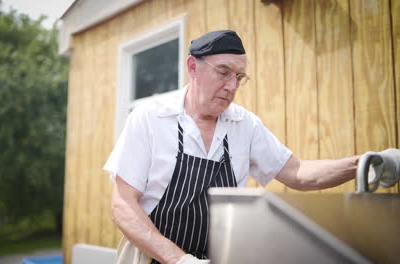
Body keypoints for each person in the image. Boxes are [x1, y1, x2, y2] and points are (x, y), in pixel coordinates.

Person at [104, 30, 360, 264]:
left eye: (239, 77)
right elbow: (122, 205)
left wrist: (364, 164)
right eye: (223, 72)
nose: (232, 87)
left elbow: (297, 172)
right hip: (150, 258)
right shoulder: (151, 118)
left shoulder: (245, 125)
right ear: (193, 67)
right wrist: (180, 260)